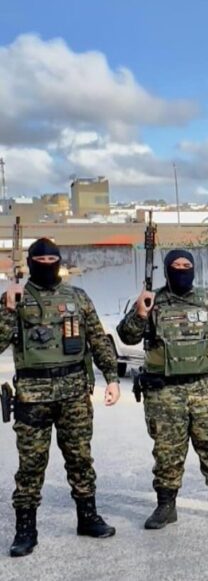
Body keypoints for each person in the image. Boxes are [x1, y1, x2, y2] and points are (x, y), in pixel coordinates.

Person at [0, 238, 120, 557]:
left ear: (60, 262)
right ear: (29, 263)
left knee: (80, 459)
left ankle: (87, 517)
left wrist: (111, 379)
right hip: (32, 396)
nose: (47, 263)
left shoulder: (78, 297)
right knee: (31, 466)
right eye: (41, 259)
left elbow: (98, 340)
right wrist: (9, 311)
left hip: (74, 394)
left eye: (53, 258)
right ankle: (26, 530)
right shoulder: (15, 298)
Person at [116, 249, 208, 529]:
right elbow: (126, 335)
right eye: (175, 265)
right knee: (167, 452)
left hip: (207, 387)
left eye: (187, 265)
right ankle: (166, 506)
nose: (182, 269)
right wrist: (140, 313)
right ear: (166, 270)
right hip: (164, 392)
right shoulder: (153, 301)